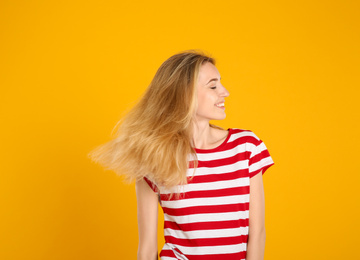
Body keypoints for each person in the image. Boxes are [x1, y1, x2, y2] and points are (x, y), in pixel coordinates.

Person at [88, 50, 275, 260]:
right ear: (184, 95)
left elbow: (257, 234)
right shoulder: (154, 157)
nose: (225, 92)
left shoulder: (246, 147)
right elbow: (148, 248)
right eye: (213, 86)